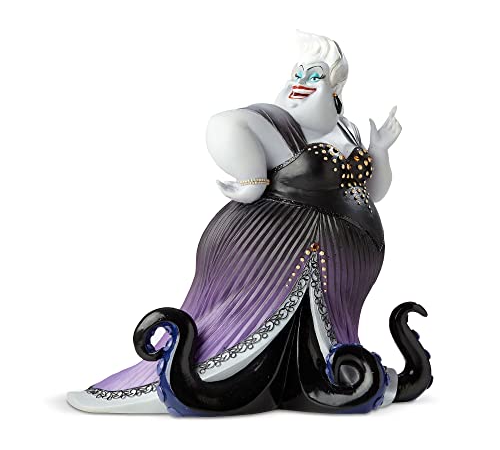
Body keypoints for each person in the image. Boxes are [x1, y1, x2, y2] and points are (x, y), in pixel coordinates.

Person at [67, 30, 431, 415]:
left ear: (336, 87)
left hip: (340, 266)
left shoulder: (347, 131)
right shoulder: (279, 125)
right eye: (297, 74)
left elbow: (374, 191)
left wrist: (379, 150)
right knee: (260, 327)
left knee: (317, 334)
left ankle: (314, 375)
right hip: (281, 250)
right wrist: (252, 178)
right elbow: (226, 124)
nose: (301, 83)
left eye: (315, 76)